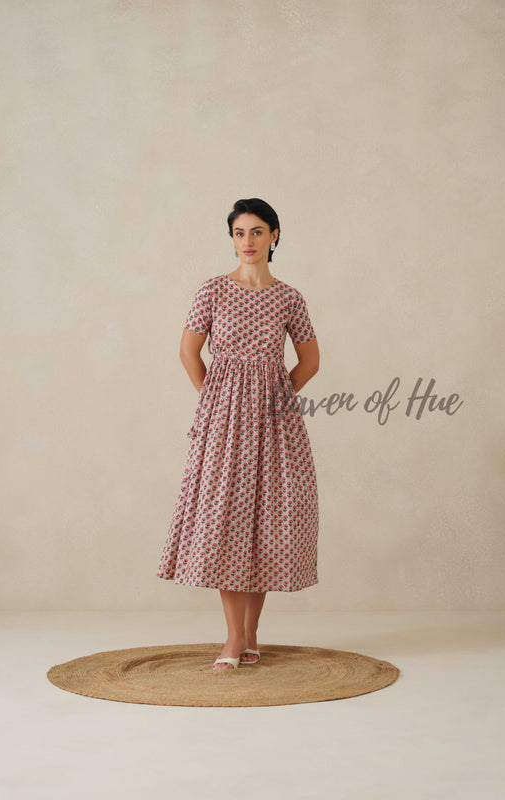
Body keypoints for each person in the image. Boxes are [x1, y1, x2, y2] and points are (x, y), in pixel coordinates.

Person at [156, 198, 320, 670]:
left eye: (256, 232)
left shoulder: (289, 298)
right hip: (222, 424)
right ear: (231, 238)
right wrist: (215, 401)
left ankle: (250, 633)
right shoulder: (211, 291)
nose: (246, 242)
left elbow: (310, 361)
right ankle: (233, 637)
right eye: (238, 233)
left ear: (274, 236)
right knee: (226, 520)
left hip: (274, 422)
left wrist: (278, 397)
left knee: (265, 520)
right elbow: (189, 353)